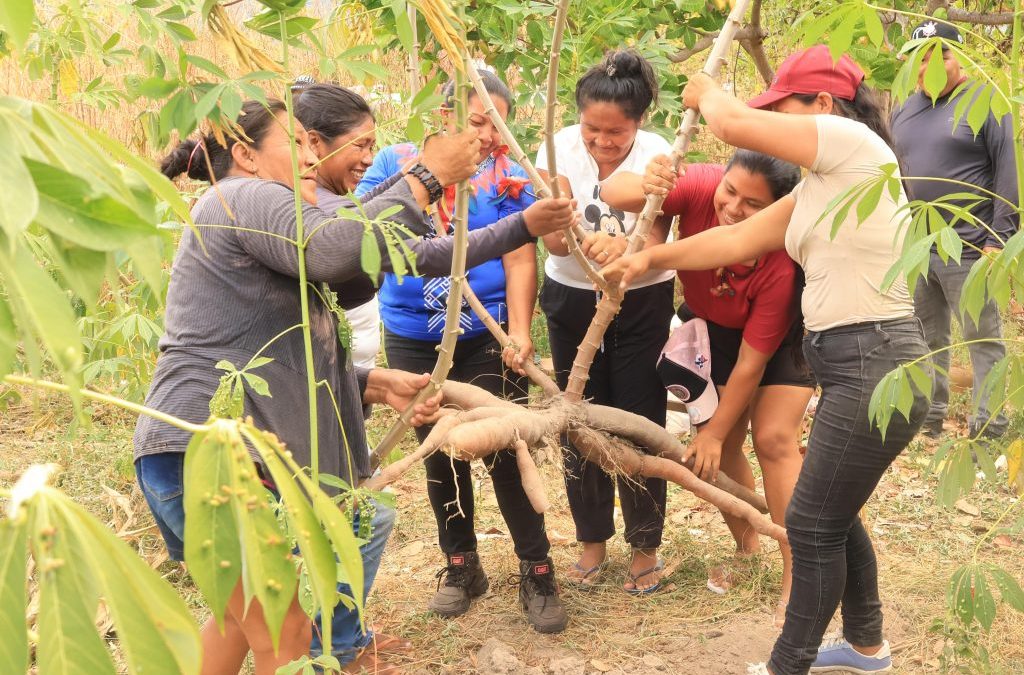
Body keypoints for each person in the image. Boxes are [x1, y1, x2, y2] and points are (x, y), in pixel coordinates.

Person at [602, 46, 930, 674]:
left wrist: (707, 91)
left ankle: (788, 664)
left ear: (823, 108)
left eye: (784, 110)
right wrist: (648, 258)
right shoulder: (824, 187)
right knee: (834, 513)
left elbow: (729, 124)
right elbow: (732, 239)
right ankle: (867, 648)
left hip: (875, 357)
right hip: (851, 362)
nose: (776, 128)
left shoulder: (858, 149)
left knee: (808, 518)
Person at [134, 98, 482, 675]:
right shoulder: (244, 195)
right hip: (216, 452)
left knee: (239, 624)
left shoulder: (254, 210)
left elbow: (336, 271)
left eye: (312, 142)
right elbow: (333, 247)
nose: (311, 153)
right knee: (285, 630)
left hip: (189, 450)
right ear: (245, 154)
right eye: (295, 143)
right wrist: (427, 176)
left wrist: (367, 381)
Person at [293, 82, 577, 654]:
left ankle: (537, 568)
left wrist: (517, 332)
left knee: (503, 446)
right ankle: (460, 565)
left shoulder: (505, 175)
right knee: (435, 451)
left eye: (498, 124)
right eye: (477, 121)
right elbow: (362, 234)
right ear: (444, 116)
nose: (488, 136)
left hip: (484, 336)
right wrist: (428, 179)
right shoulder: (392, 167)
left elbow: (522, 252)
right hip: (413, 336)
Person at [601, 149, 810, 625]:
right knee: (724, 448)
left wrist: (711, 432)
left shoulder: (780, 263)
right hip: (711, 331)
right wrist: (649, 180)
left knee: (774, 440)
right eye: (730, 190)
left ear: (777, 211)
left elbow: (752, 366)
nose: (733, 207)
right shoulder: (701, 185)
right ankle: (747, 547)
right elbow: (614, 189)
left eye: (753, 205)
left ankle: (797, 574)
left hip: (779, 342)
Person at [536, 49, 676, 594]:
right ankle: (591, 539)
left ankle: (645, 546)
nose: (601, 142)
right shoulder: (556, 149)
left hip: (643, 302)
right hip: (571, 299)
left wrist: (624, 246)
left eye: (615, 133)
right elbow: (550, 239)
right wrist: (574, 234)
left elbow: (658, 237)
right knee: (579, 417)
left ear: (639, 123)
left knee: (642, 417)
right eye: (592, 129)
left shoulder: (660, 154)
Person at [891, 19, 1020, 440]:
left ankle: (990, 426)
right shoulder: (903, 110)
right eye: (921, 56)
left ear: (959, 57)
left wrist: (998, 240)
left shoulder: (985, 100)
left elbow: (1007, 173)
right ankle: (928, 420)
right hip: (919, 246)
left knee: (983, 340)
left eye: (940, 53)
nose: (930, 63)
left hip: (971, 246)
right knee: (927, 340)